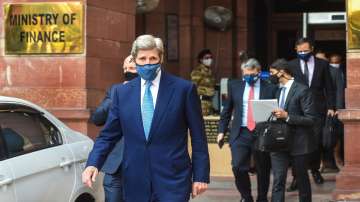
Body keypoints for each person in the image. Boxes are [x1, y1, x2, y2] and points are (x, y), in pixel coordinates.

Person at [82, 35, 210, 202]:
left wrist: (200, 175)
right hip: (135, 180)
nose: (148, 63)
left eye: (153, 58)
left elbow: (199, 137)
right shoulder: (122, 93)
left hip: (173, 180)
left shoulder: (183, 89)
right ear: (134, 60)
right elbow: (108, 135)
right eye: (142, 58)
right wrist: (93, 163)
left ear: (161, 58)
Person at [217, 58, 277, 202]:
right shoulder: (235, 86)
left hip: (261, 132)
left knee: (263, 168)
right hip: (241, 132)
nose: (248, 77)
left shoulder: (270, 87)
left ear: (258, 71)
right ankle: (246, 197)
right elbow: (227, 111)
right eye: (245, 75)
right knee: (238, 166)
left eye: (251, 74)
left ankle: (262, 197)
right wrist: (221, 132)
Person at [287, 38, 335, 191]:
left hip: (318, 109)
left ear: (312, 49)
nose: (303, 53)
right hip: (297, 110)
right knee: (296, 144)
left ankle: (314, 170)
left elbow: (329, 87)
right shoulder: (291, 65)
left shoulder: (323, 64)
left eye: (306, 51)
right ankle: (296, 177)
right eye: (300, 51)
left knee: (315, 142)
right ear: (296, 50)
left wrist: (331, 106)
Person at [89, 55, 137, 202]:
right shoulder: (115, 90)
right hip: (115, 166)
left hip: (140, 164)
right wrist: (117, 96)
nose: (128, 71)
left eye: (132, 68)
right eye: (125, 69)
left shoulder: (151, 93)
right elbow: (97, 118)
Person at [269, 58, 316, 202]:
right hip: (278, 141)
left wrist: (287, 116)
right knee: (278, 178)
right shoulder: (276, 91)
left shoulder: (302, 90)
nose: (270, 75)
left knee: (301, 178)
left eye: (272, 72)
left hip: (299, 142)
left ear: (281, 72)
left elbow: (311, 119)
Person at [191, 49, 216, 116]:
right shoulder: (198, 71)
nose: (209, 60)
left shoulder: (210, 72)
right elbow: (193, 87)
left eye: (211, 57)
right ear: (201, 60)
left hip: (210, 102)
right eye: (207, 58)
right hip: (201, 103)